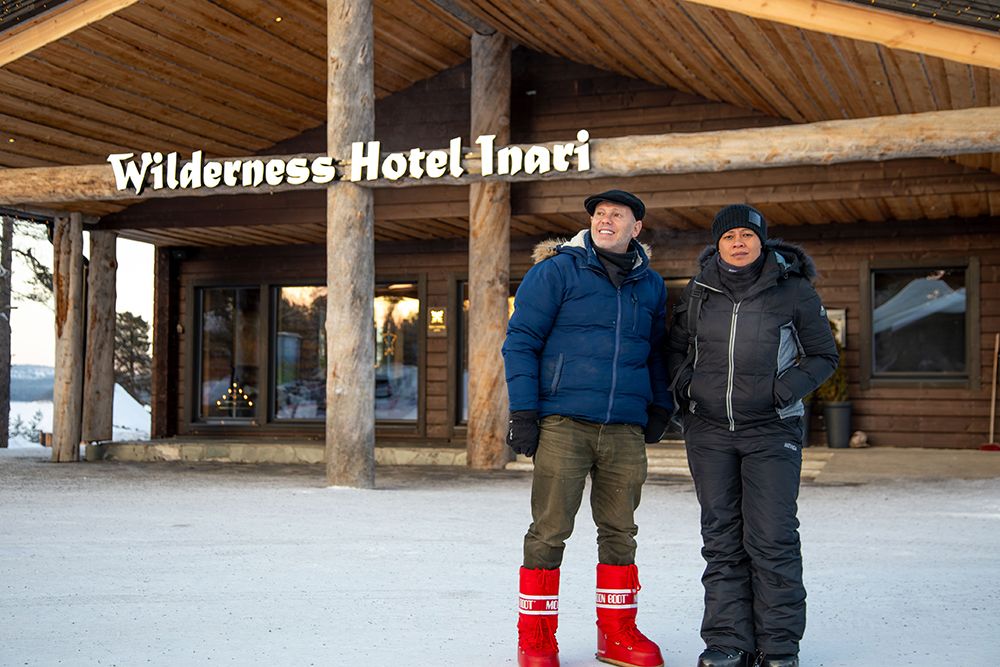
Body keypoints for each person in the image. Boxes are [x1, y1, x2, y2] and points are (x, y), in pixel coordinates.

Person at [503, 189, 672, 667]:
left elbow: (656, 351)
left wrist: (660, 405)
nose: (606, 220)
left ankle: (616, 634)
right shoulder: (556, 271)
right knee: (550, 530)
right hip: (563, 423)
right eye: (599, 213)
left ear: (635, 229)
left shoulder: (651, 285)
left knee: (620, 531)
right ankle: (535, 637)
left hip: (623, 428)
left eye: (617, 215)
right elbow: (520, 342)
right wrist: (524, 412)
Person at [666, 204, 838, 667]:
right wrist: (688, 390)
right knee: (721, 538)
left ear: (762, 241)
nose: (737, 243)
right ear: (717, 244)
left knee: (772, 537)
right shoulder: (698, 291)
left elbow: (823, 356)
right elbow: (677, 348)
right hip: (709, 432)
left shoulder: (794, 291)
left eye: (746, 234)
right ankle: (727, 643)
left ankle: (778, 646)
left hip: (771, 430)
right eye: (728, 236)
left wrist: (779, 393)